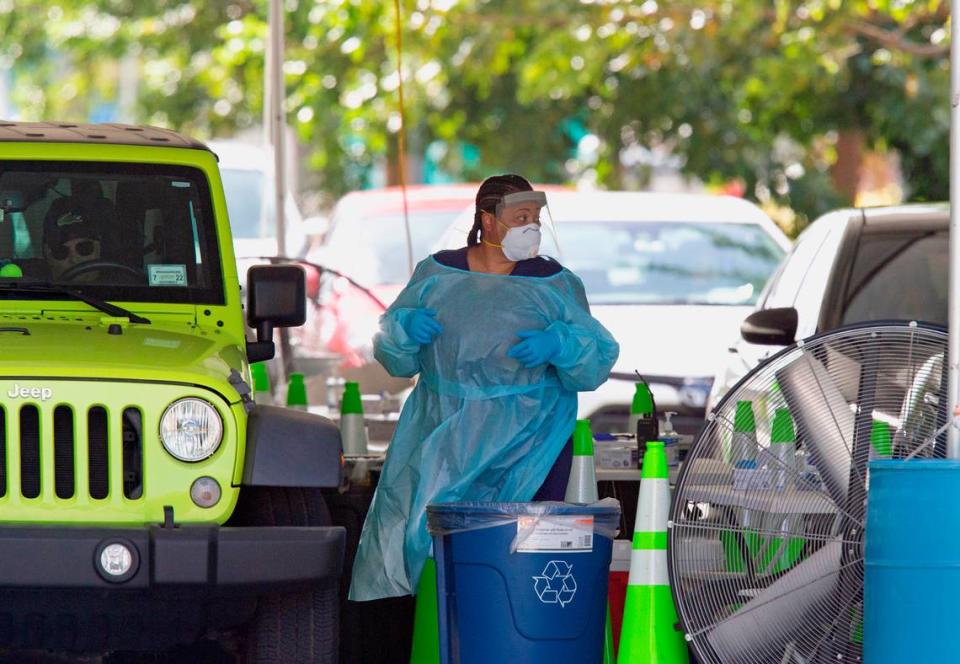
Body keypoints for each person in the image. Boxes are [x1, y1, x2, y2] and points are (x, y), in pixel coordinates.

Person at [349, 174, 619, 602]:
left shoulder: (553, 282)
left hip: (532, 443)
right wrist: (403, 330)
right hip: (442, 434)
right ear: (488, 220)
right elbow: (396, 360)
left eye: (535, 217)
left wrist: (562, 343)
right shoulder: (437, 274)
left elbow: (593, 364)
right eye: (520, 216)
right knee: (428, 546)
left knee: (515, 556)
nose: (532, 226)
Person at [43, 200, 104, 282]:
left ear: (98, 249)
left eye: (84, 248)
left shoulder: (122, 288)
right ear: (48, 256)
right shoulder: (29, 287)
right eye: (61, 252)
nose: (74, 259)